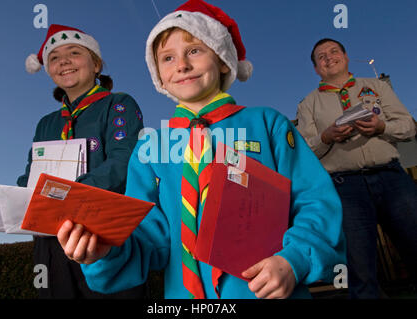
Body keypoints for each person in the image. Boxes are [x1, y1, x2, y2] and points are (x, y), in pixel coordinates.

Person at [57, 0, 346, 299]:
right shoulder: (150, 147)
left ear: (222, 59)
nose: (181, 65)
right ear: (158, 74)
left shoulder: (267, 123)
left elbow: (315, 200)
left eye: (194, 50)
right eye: (167, 58)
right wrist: (107, 249)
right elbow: (148, 237)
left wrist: (294, 259)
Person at [17, 24, 146, 299]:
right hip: (50, 238)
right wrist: (19, 194)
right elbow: (31, 174)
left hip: (103, 233)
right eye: (54, 57)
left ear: (96, 64)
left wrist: (68, 193)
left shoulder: (119, 104)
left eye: (74, 52)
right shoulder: (46, 123)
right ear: (49, 70)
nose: (63, 61)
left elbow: (125, 161)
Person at [296, 38, 417, 298]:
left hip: (392, 177)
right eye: (321, 57)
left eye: (333, 52)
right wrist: (326, 137)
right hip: (344, 187)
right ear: (316, 69)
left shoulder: (376, 87)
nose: (328, 58)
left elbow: (408, 126)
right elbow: (303, 150)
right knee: (359, 268)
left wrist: (383, 127)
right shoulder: (308, 104)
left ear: (346, 56)